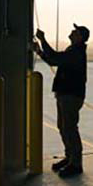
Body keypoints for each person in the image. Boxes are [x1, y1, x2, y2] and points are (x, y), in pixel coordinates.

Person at [32, 24, 89, 178]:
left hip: (71, 95)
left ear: (80, 37)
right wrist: (39, 51)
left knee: (69, 128)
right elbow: (53, 60)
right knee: (63, 127)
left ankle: (76, 164)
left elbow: (56, 58)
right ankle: (70, 158)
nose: (71, 31)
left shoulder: (76, 52)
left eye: (75, 31)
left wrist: (43, 40)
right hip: (65, 94)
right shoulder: (73, 51)